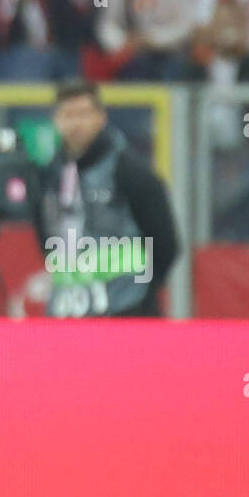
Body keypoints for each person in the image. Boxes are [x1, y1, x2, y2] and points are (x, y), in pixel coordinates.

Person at [33, 79, 179, 318]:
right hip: (68, 309)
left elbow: (165, 241)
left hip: (127, 309)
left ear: (101, 118)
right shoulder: (50, 175)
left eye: (83, 114)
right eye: (67, 115)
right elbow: (46, 236)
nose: (75, 124)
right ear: (55, 120)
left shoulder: (130, 171)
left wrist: (143, 290)